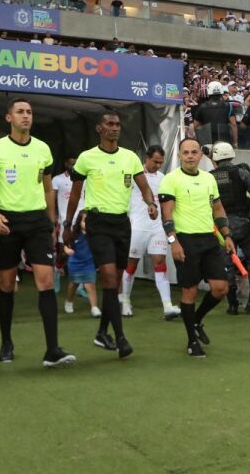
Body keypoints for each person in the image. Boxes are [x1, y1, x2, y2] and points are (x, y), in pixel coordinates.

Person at [0, 99, 75, 368]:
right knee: (6, 284)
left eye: (29, 112)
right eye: (20, 112)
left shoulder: (43, 149)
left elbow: (47, 188)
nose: (26, 116)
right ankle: (6, 342)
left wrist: (52, 221)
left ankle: (52, 349)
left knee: (45, 281)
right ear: (8, 117)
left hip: (36, 222)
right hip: (6, 221)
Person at [64, 111, 158, 359]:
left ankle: (101, 332)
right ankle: (121, 338)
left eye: (117, 124)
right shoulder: (86, 158)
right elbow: (75, 194)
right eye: (110, 124)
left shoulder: (130, 158)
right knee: (107, 277)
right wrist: (67, 223)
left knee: (113, 283)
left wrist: (151, 204)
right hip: (98, 222)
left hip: (121, 223)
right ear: (99, 128)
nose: (115, 128)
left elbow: (144, 187)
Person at [159, 138, 235, 358]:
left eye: (194, 152)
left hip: (209, 240)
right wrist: (174, 242)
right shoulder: (170, 180)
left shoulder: (209, 178)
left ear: (201, 155)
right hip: (185, 241)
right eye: (186, 152)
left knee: (221, 288)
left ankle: (197, 320)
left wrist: (226, 235)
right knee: (189, 291)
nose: (190, 156)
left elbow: (218, 209)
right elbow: (166, 215)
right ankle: (192, 341)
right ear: (180, 155)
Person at [120, 145, 181, 320]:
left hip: (157, 228)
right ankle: (125, 301)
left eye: (160, 163)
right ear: (146, 158)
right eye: (155, 161)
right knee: (131, 265)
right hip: (137, 226)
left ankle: (167, 306)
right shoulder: (133, 176)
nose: (157, 165)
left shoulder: (163, 178)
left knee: (160, 263)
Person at [209, 142, 250, 315]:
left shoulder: (208, 177)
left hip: (221, 227)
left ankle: (232, 304)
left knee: (227, 264)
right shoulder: (241, 172)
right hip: (244, 224)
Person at [51, 156, 84, 304]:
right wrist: (53, 219)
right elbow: (51, 199)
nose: (73, 166)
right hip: (66, 221)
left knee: (83, 253)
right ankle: (57, 273)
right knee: (64, 253)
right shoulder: (57, 180)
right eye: (71, 163)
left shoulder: (85, 179)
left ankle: (80, 285)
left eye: (76, 164)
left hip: (82, 222)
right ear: (66, 164)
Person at [64, 211, 100, 317]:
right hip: (75, 264)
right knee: (73, 285)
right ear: (79, 222)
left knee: (90, 285)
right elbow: (66, 245)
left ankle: (94, 307)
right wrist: (67, 250)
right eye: (85, 221)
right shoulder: (74, 235)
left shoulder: (94, 235)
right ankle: (69, 302)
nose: (87, 224)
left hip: (89, 263)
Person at [193, 81, 237, 146]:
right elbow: (233, 125)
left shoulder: (202, 107)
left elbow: (196, 126)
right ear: (221, 90)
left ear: (208, 91)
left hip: (207, 142)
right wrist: (235, 142)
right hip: (224, 141)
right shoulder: (228, 106)